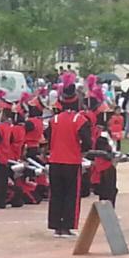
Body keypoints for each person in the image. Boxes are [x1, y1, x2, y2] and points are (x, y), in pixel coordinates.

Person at [45, 72, 92, 237]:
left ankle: (56, 225)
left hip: (55, 161)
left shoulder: (54, 119)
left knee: (56, 194)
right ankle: (67, 225)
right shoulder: (79, 119)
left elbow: (47, 137)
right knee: (71, 195)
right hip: (71, 161)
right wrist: (81, 149)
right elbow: (87, 142)